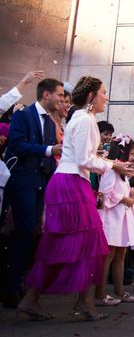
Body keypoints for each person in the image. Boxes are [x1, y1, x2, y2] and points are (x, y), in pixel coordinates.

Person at [17, 76, 134, 321]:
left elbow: (85, 157)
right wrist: (113, 165)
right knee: (84, 243)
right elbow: (83, 160)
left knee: (81, 244)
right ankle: (80, 301)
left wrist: (110, 163)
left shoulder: (84, 119)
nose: (107, 97)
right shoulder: (84, 119)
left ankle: (72, 300)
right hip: (70, 185)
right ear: (91, 96)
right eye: (103, 92)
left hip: (72, 183)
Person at [1, 78, 64, 309]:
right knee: (25, 231)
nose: (61, 99)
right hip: (22, 182)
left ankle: (14, 283)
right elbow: (16, 145)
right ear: (46, 94)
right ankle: (10, 286)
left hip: (40, 184)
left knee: (29, 233)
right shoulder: (23, 116)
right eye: (58, 94)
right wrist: (49, 150)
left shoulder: (49, 122)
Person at [95, 135, 134, 306]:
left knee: (121, 254)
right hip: (111, 217)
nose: (132, 158)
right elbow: (105, 192)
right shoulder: (110, 169)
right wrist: (124, 199)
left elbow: (121, 188)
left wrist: (131, 191)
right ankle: (99, 294)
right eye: (130, 154)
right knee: (108, 255)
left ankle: (119, 290)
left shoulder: (123, 172)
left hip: (122, 216)